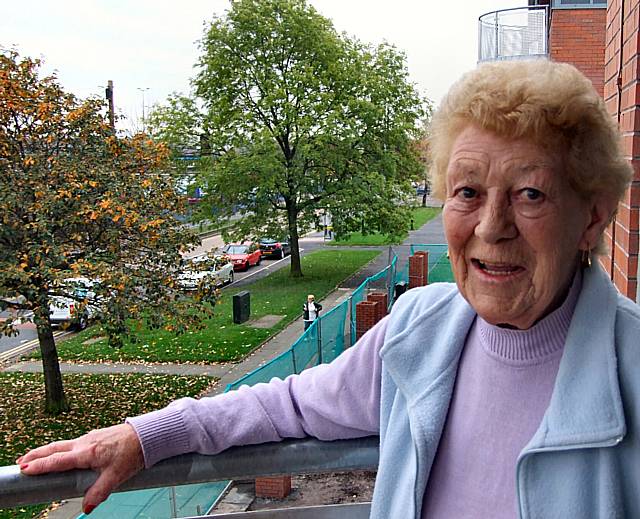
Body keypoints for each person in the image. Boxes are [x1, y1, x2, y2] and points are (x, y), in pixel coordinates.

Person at [17, 60, 640, 518]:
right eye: (467, 191)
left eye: (529, 193)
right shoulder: (420, 328)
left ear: (590, 216)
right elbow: (283, 404)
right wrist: (147, 436)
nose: (491, 227)